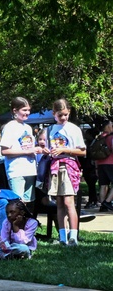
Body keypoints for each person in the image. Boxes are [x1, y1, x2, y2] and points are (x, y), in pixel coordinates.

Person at [44, 98, 86, 246]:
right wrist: (46, 149)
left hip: (69, 166)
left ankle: (73, 236)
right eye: (60, 115)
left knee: (69, 202)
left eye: (66, 114)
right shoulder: (50, 129)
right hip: (55, 166)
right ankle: (63, 237)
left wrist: (64, 150)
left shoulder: (73, 129)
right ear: (54, 114)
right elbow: (48, 148)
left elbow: (82, 151)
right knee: (59, 202)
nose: (63, 118)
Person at [0, 97, 42, 202]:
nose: (27, 113)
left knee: (27, 203)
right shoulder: (10, 127)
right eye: (24, 110)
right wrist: (26, 152)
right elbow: (4, 151)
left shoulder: (28, 127)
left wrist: (35, 150)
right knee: (18, 203)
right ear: (15, 110)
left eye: (28, 110)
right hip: (16, 171)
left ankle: (26, 219)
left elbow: (27, 147)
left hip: (30, 170)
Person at [94, 121, 113, 211]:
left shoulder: (99, 137)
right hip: (111, 163)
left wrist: (96, 167)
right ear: (107, 127)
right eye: (111, 125)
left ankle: (102, 205)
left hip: (100, 164)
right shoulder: (111, 137)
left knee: (103, 185)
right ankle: (107, 202)